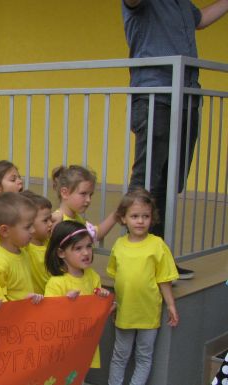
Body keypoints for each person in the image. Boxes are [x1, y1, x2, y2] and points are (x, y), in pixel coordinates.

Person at [123, 0, 228, 280]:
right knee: (148, 179)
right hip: (156, 95)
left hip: (187, 95)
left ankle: (160, 256)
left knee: (170, 182)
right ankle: (135, 258)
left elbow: (200, 19)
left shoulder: (181, 4)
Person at [107, 188, 179, 385]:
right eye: (135, 216)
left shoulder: (157, 245)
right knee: (120, 355)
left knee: (144, 356)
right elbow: (117, 279)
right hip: (125, 312)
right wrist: (115, 304)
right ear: (123, 218)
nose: (140, 221)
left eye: (145, 216)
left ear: (152, 218)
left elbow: (164, 278)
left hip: (148, 312)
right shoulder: (119, 245)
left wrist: (171, 305)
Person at [43, 220, 111, 369]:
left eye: (88, 246)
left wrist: (105, 304)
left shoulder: (93, 277)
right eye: (78, 248)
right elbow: (49, 319)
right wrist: (66, 304)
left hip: (85, 343)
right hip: (64, 348)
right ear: (61, 253)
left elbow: (97, 316)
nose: (86, 253)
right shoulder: (56, 283)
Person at [0, 192, 43, 303]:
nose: (33, 230)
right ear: (5, 231)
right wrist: (20, 303)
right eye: (27, 227)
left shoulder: (23, 253)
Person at [50, 165, 116, 242]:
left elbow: (95, 234)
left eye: (90, 195)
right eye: (83, 194)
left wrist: (116, 215)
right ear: (65, 193)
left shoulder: (78, 219)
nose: (88, 200)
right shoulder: (56, 221)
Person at [21, 190, 53, 295]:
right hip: (35, 302)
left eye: (51, 219)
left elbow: (59, 216)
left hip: (52, 297)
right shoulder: (25, 247)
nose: (50, 224)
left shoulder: (49, 241)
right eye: (45, 220)